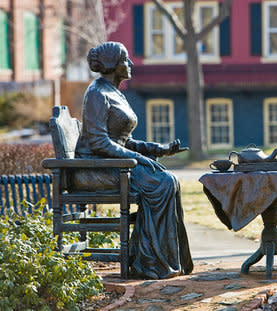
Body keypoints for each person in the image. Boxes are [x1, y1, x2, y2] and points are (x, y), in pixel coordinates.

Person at [73, 41, 193, 279]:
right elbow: (99, 143)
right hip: (94, 168)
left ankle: (163, 258)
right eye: (125, 60)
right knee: (162, 183)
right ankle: (149, 262)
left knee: (170, 181)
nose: (130, 64)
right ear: (112, 64)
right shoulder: (96, 93)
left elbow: (123, 142)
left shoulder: (115, 93)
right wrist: (138, 157)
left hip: (115, 163)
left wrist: (158, 150)